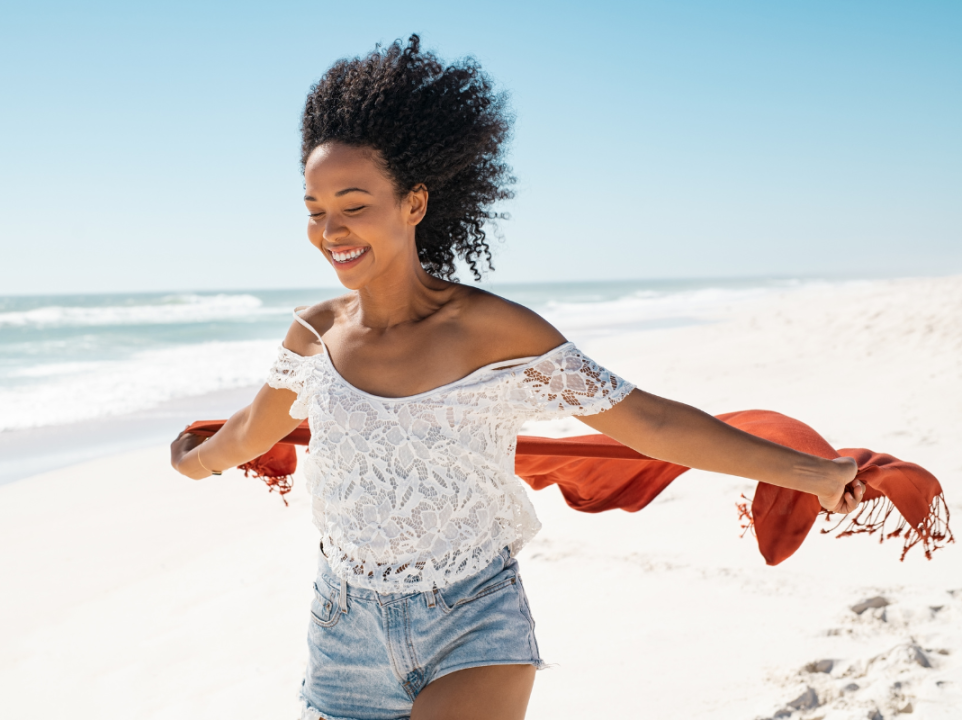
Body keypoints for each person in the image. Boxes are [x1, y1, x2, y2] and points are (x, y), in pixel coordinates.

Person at [170, 35, 865, 720]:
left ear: (414, 204)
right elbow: (252, 431)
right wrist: (194, 462)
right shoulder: (314, 335)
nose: (331, 231)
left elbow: (646, 421)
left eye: (354, 205)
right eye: (315, 211)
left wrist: (809, 473)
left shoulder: (494, 333)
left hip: (473, 625)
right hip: (341, 633)